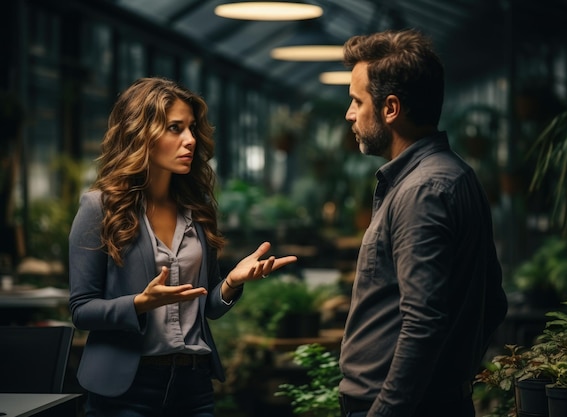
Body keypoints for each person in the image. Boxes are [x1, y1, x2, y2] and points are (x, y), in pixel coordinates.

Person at [68, 77, 297, 417]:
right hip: (127, 390)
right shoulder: (99, 208)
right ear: (140, 133)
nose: (190, 140)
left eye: (191, 128)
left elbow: (207, 309)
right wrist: (139, 304)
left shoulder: (198, 209)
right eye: (175, 128)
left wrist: (232, 283)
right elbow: (81, 310)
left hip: (194, 386)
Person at [337, 29, 508, 417]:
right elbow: (493, 301)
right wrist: (451, 374)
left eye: (356, 101)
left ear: (391, 108)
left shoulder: (422, 191)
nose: (349, 114)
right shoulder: (455, 176)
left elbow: (423, 322)